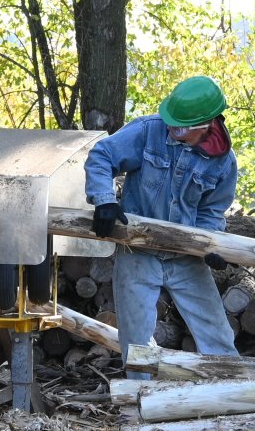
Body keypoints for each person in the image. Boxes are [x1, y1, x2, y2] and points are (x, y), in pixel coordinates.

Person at [83, 75, 239, 356]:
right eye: (171, 123)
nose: (172, 130)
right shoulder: (148, 131)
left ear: (207, 125)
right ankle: (139, 384)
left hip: (186, 256)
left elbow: (212, 210)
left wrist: (210, 244)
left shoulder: (224, 163)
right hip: (137, 251)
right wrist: (104, 200)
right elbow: (102, 156)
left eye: (180, 128)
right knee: (136, 344)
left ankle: (227, 382)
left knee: (218, 337)